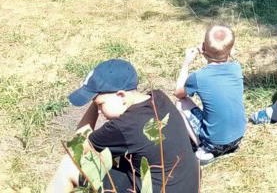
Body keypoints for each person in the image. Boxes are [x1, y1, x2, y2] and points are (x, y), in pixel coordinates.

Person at [48, 59, 199, 193]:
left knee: (68, 166)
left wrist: (94, 104)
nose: (99, 111)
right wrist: (98, 97)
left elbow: (77, 147)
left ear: (121, 96)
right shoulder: (158, 97)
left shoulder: (123, 127)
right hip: (185, 185)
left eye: (100, 104)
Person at [174, 25, 246, 165]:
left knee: (180, 103)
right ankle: (225, 144)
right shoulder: (237, 68)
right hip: (238, 137)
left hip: (215, 144)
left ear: (203, 48)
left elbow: (178, 92)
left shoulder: (199, 77)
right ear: (231, 50)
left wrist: (186, 63)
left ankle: (203, 148)